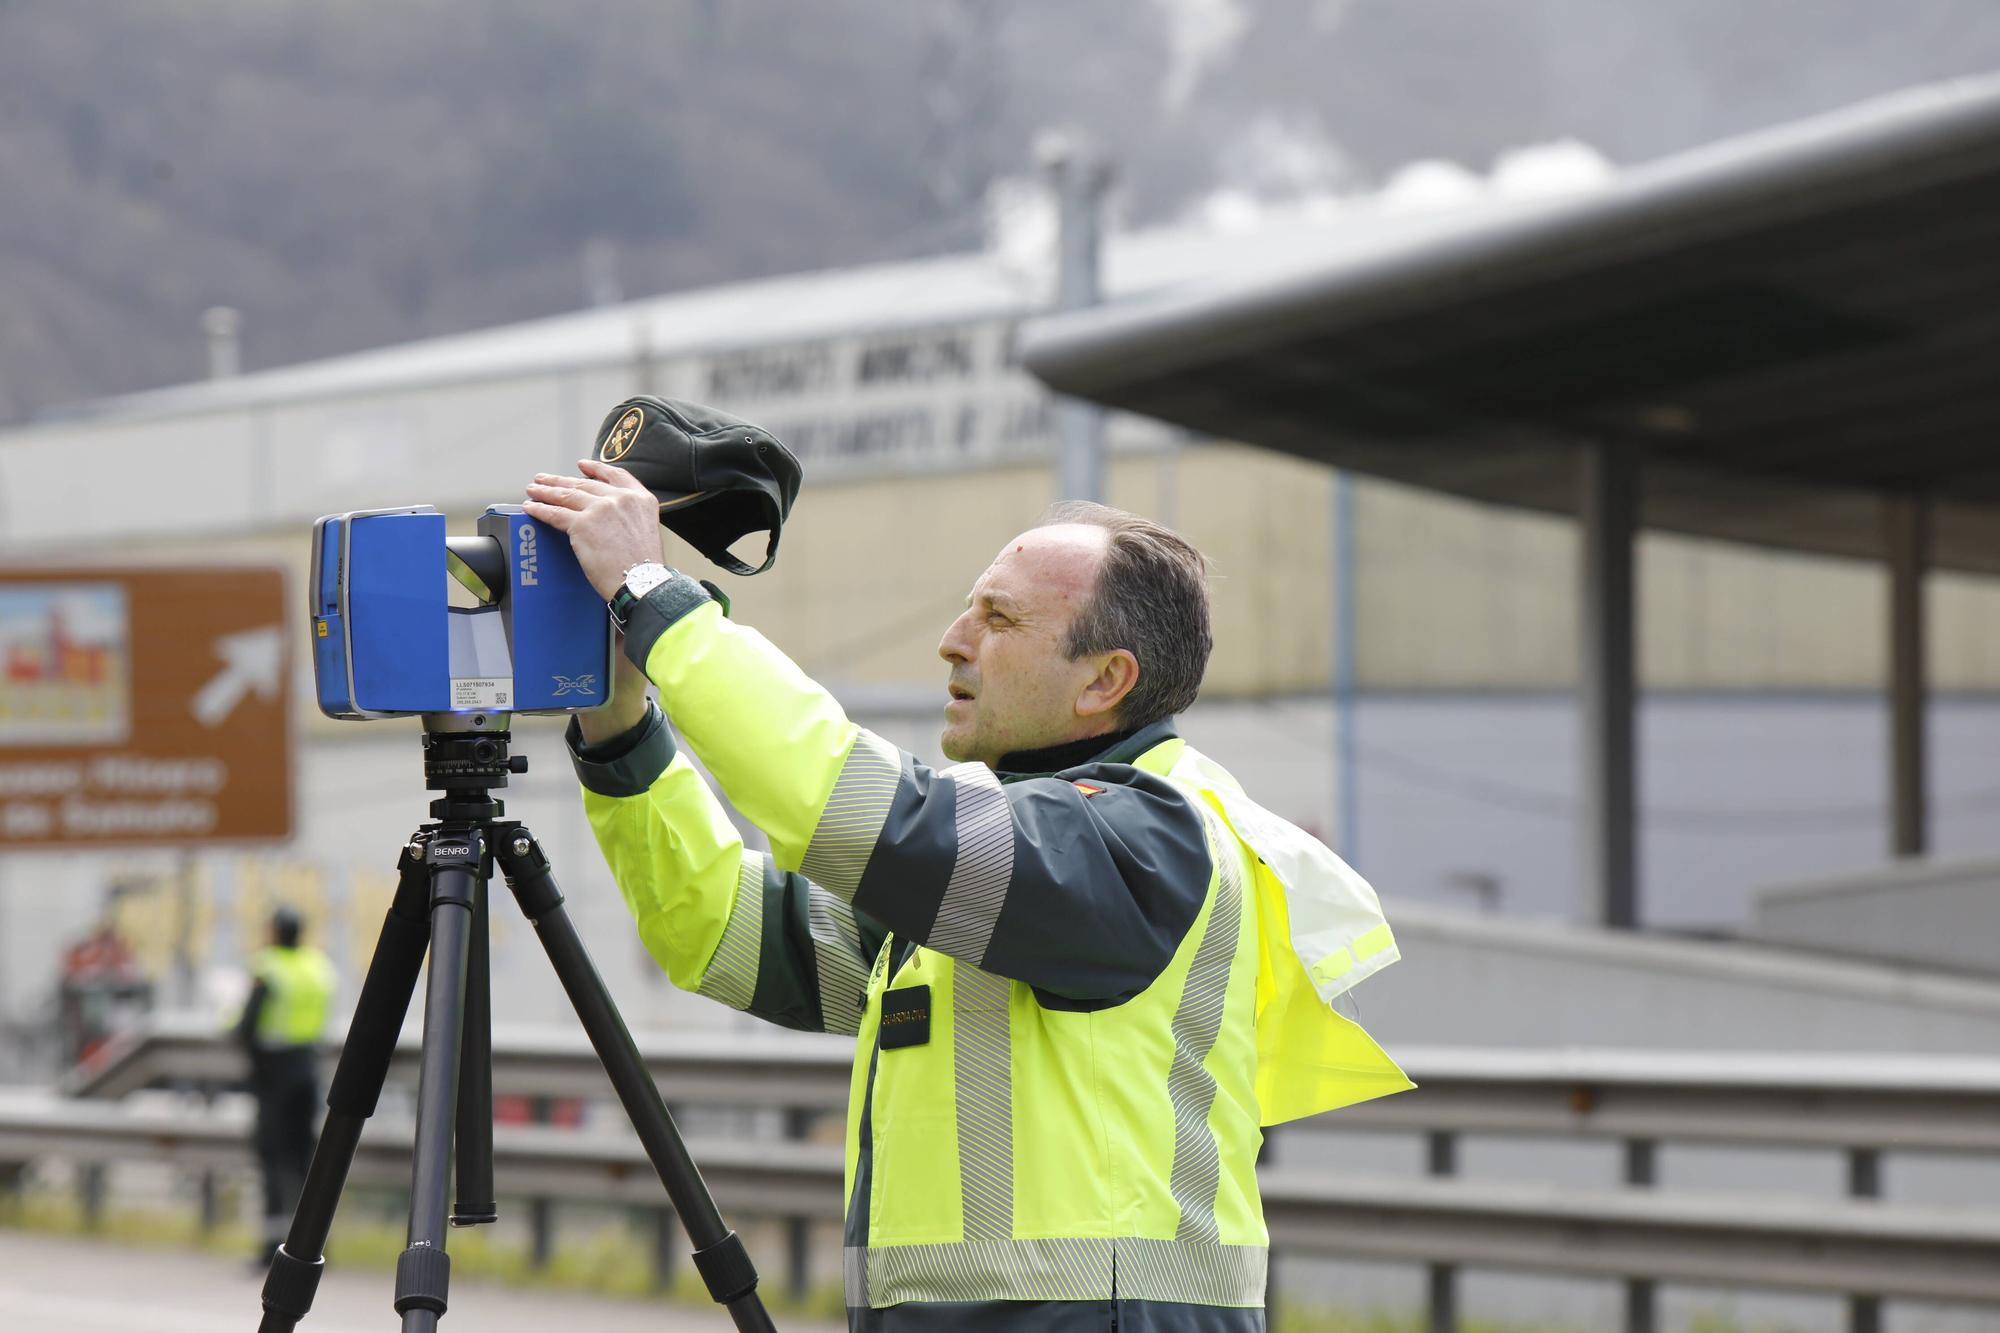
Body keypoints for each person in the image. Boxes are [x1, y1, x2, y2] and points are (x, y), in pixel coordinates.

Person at [525, 439, 1408, 1332]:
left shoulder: (1146, 836)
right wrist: (618, 720)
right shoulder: (999, 859)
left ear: (1106, 680)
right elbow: (719, 930)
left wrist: (657, 599)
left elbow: (851, 810)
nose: (954, 640)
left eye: (999, 617)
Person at [234, 906, 335, 1267]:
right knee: (308, 1159)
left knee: (274, 1159)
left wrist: (248, 1056)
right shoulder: (317, 967)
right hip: (308, 1069)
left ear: (276, 931)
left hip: (274, 1073)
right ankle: (318, 1243)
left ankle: (271, 1249)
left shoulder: (268, 967)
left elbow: (246, 1025)